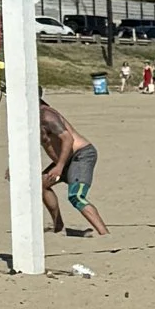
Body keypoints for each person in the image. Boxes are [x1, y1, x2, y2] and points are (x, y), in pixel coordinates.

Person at [40, 98, 108, 236]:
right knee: (41, 184)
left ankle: (105, 234)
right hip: (65, 159)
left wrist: (59, 166)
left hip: (80, 155)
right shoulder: (29, 118)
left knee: (76, 196)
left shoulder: (47, 115)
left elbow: (68, 139)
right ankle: (59, 227)